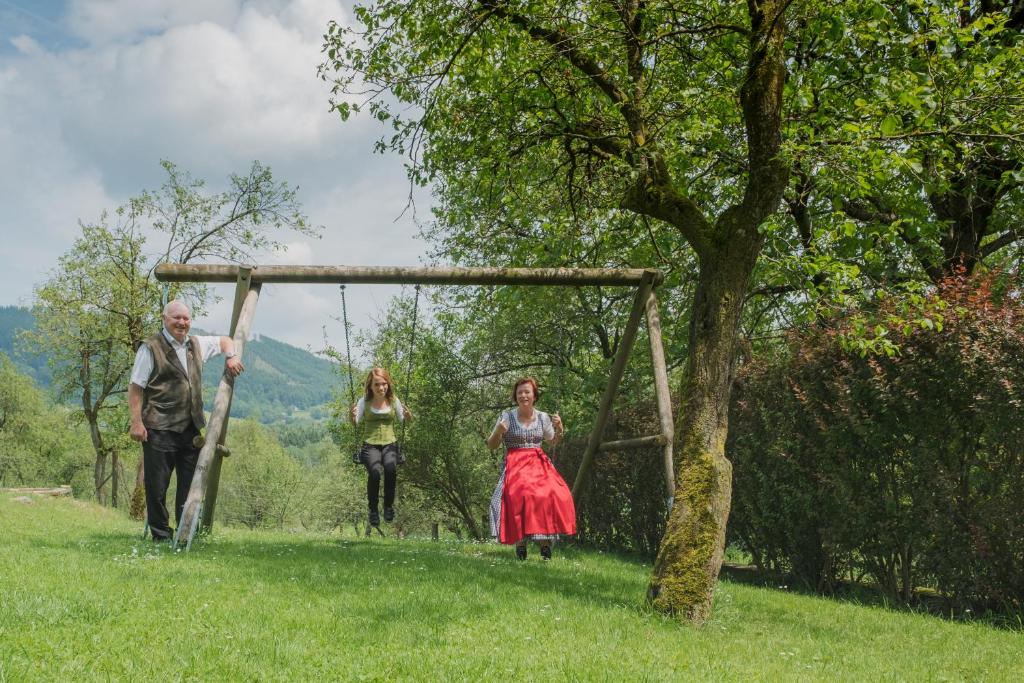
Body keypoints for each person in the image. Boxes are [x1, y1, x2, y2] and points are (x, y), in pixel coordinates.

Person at [128, 300, 243, 542]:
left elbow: (225, 340)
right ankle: (161, 536)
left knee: (188, 486)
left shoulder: (196, 343)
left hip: (190, 428)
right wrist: (136, 423)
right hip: (159, 427)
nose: (182, 322)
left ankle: (184, 532)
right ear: (164, 318)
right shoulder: (150, 348)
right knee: (157, 487)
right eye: (176, 318)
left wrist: (231, 356)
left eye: (186, 318)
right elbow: (136, 387)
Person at [486, 377, 575, 560]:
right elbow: (491, 445)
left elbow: (553, 442)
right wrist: (498, 432)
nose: (523, 395)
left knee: (552, 493)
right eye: (519, 392)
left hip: (538, 463)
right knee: (520, 494)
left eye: (527, 392)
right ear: (515, 396)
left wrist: (560, 428)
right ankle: (521, 543)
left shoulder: (542, 417)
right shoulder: (506, 417)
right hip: (516, 464)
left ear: (534, 396)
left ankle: (545, 544)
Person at [349, 367, 413, 528]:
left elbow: (402, 420)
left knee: (391, 469)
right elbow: (355, 422)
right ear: (370, 386)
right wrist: (351, 416)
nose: (381, 388)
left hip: (390, 443)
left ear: (388, 384)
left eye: (384, 384)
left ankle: (388, 507)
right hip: (370, 444)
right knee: (375, 472)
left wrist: (408, 417)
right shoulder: (364, 401)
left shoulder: (394, 400)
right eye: (377, 384)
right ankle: (373, 510)